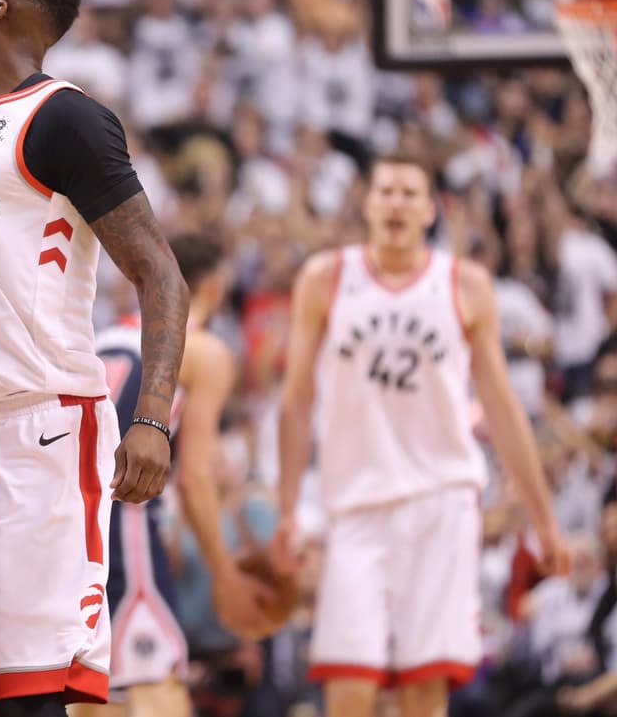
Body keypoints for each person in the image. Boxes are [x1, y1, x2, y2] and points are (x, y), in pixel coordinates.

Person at [0, 0, 189, 716]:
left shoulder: (65, 117)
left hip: (44, 425)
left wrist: (150, 416)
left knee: (32, 691)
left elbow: (161, 276)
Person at [270, 152, 571, 717]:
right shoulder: (325, 278)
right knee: (349, 688)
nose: (397, 203)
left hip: (442, 503)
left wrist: (545, 520)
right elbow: (295, 402)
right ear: (367, 204)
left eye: (411, 193)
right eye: (387, 191)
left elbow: (503, 410)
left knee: (422, 689)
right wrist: (288, 508)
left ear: (430, 210)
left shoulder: (466, 284)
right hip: (356, 506)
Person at [75, 235, 275, 717]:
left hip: (69, 529)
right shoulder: (203, 351)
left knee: (94, 694)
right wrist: (224, 575)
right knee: (158, 690)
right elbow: (194, 480)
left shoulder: (102, 337)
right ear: (214, 286)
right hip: (124, 532)